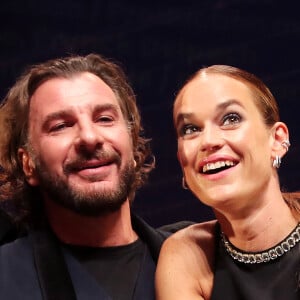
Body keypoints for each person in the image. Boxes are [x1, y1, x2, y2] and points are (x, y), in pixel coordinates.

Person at [0, 53, 190, 300]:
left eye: (104, 119)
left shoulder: (203, 259)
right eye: (61, 126)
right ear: (28, 164)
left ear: (132, 145)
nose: (89, 138)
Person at [155, 65, 300, 299]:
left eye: (231, 119)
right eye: (191, 129)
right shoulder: (187, 255)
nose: (208, 141)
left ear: (276, 140)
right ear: (182, 161)